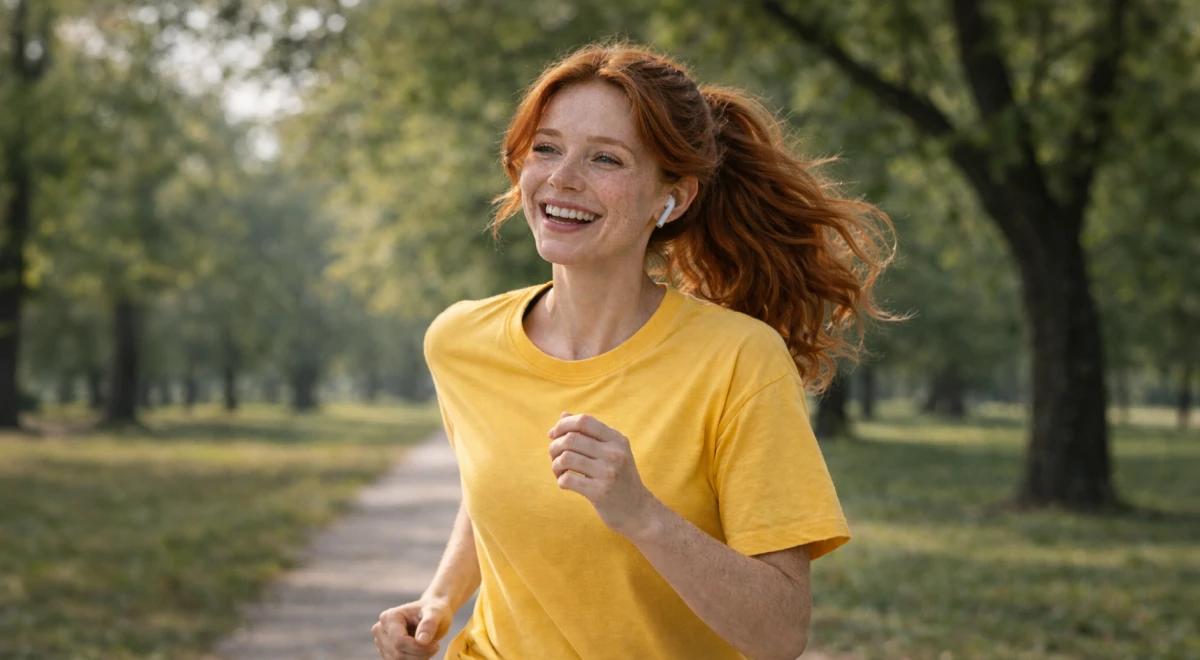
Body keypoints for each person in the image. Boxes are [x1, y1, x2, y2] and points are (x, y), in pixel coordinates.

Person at [372, 41, 896, 660]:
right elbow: (495, 487)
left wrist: (640, 513)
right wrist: (439, 597)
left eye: (606, 159)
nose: (562, 178)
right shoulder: (461, 341)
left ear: (671, 197)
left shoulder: (738, 360)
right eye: (546, 148)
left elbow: (780, 634)